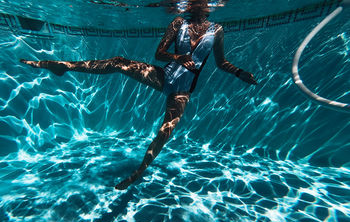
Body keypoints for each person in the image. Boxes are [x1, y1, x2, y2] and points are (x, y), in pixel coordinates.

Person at [20, 0, 257, 190]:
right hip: (164, 75)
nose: (197, 8)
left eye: (202, 5)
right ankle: (64, 66)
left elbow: (221, 62)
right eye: (193, 4)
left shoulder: (217, 30)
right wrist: (177, 57)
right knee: (118, 62)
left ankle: (138, 172)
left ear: (209, 7)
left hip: (183, 90)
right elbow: (160, 53)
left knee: (165, 131)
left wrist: (239, 73)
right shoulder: (177, 23)